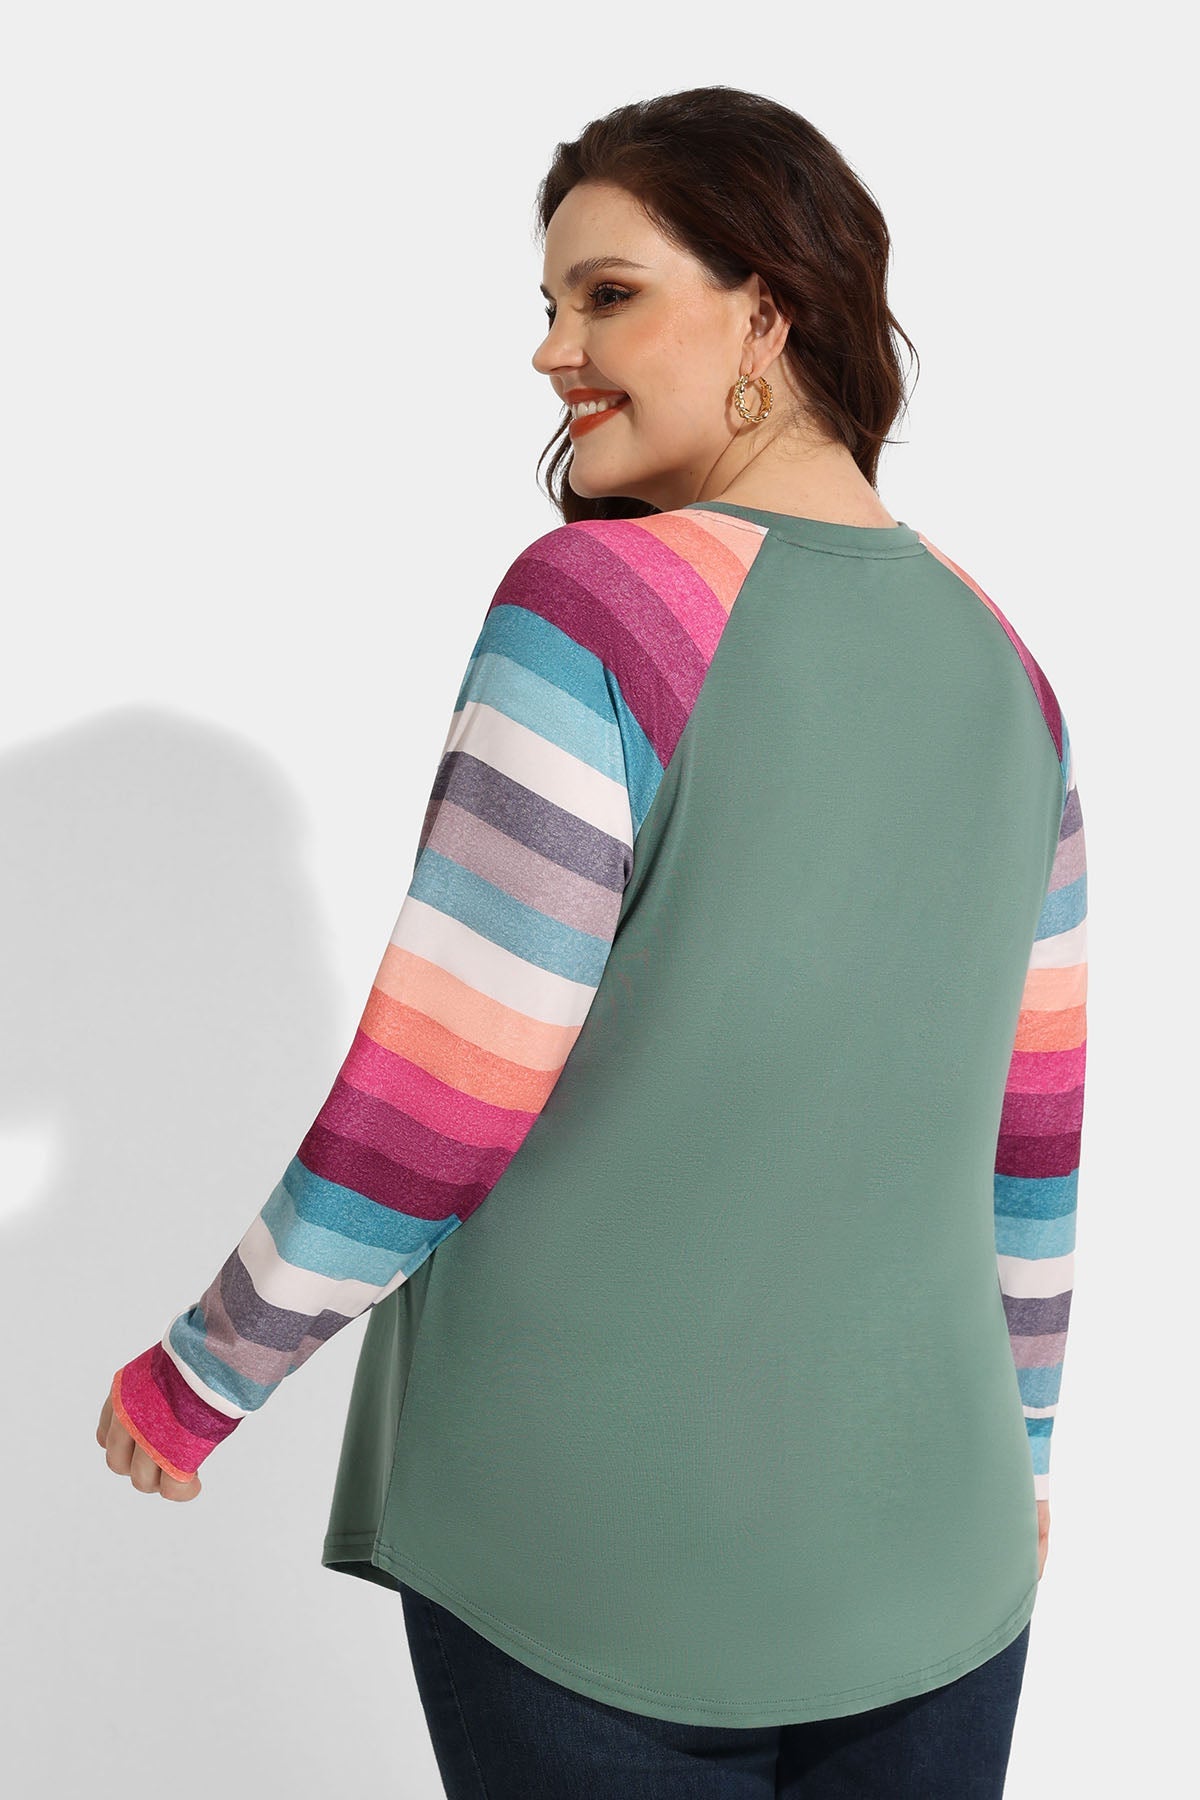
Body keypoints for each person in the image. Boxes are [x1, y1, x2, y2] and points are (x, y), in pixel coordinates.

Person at [98, 87, 1088, 1798]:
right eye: (553, 302)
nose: (554, 351)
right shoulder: (1010, 670)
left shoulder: (604, 607)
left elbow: (443, 1093)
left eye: (608, 295)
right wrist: (1028, 1463)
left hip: (584, 1553)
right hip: (943, 1556)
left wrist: (203, 1374)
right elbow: (1035, 1146)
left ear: (766, 311)